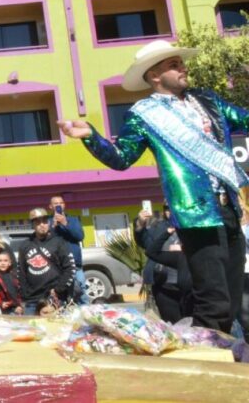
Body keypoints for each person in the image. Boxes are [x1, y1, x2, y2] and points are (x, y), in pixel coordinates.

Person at [58, 39, 249, 332]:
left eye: (181, 63)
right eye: (174, 65)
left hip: (228, 208)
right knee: (214, 299)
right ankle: (212, 356)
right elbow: (121, 158)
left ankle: (224, 352)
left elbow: (244, 119)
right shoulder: (144, 114)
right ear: (154, 76)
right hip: (196, 212)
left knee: (234, 296)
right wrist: (90, 136)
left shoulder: (208, 100)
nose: (183, 68)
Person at [17, 208, 75, 310]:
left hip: (54, 298)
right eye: (38, 222)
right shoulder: (25, 246)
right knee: (32, 326)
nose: (42, 225)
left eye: (44, 221)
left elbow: (70, 268)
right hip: (32, 301)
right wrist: (25, 295)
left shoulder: (59, 242)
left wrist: (58, 290)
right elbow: (21, 272)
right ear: (33, 225)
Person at [48, 195, 88, 304]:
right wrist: (54, 226)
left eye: (60, 203)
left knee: (80, 293)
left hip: (75, 264)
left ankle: (86, 317)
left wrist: (65, 223)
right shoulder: (47, 222)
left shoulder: (73, 220)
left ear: (64, 205)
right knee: (60, 296)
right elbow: (47, 240)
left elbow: (79, 236)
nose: (58, 205)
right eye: (55, 203)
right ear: (50, 207)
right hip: (56, 266)